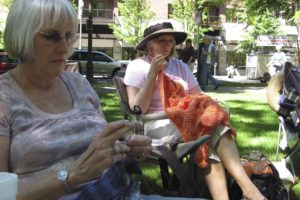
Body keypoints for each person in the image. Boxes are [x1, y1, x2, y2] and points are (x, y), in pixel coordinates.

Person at [0, 0, 153, 199]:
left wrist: (128, 147)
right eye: (51, 36)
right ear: (22, 35)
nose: (64, 48)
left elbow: (103, 144)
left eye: (69, 35)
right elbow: (2, 192)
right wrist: (73, 175)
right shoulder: (4, 97)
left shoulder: (78, 84)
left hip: (122, 191)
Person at [124, 22, 266, 200]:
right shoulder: (138, 66)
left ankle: (234, 195)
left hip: (187, 122)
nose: (167, 45)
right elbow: (137, 109)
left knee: (208, 133)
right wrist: (152, 74)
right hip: (154, 125)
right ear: (148, 44)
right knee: (211, 127)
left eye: (171, 41)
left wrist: (192, 108)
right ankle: (249, 190)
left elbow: (199, 96)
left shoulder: (181, 67)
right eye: (161, 41)